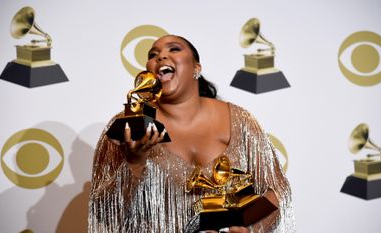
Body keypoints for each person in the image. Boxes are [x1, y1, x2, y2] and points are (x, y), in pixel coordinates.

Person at [88, 35, 295, 233]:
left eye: (174, 49)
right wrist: (134, 165)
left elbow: (277, 190)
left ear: (196, 67)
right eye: (153, 55)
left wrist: (252, 230)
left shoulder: (240, 120)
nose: (160, 57)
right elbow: (103, 210)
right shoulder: (128, 127)